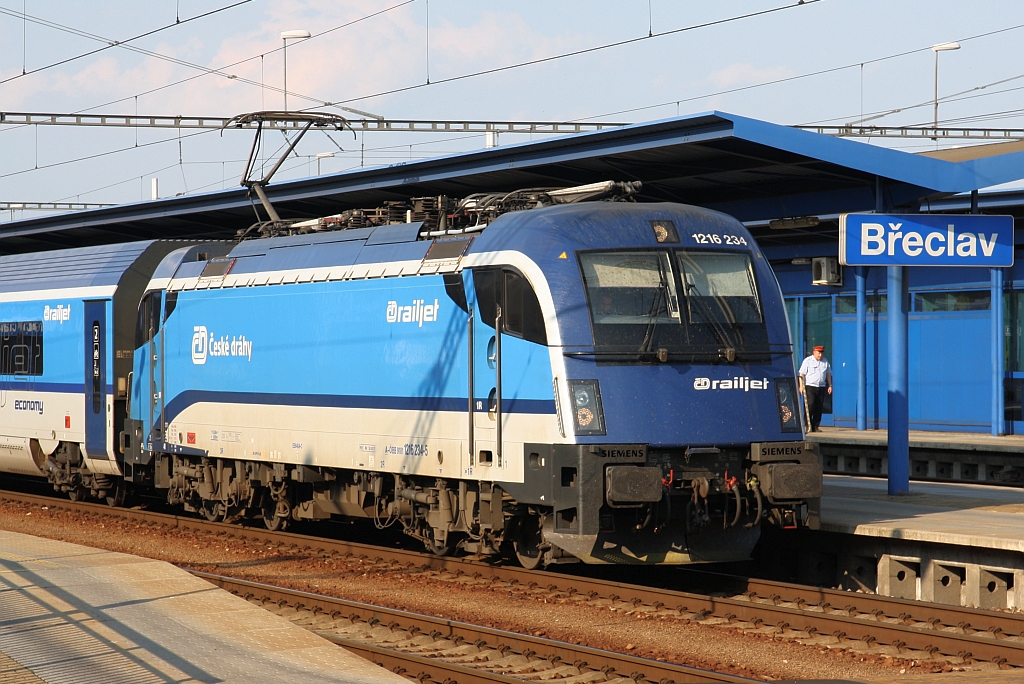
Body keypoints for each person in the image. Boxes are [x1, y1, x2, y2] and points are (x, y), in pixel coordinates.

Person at [799, 345, 832, 432]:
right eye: (818, 353)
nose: (820, 355)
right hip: (810, 386)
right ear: (814, 352)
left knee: (819, 407)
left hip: (821, 386)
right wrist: (801, 386)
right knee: (810, 405)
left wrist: (830, 385)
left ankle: (815, 426)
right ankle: (807, 425)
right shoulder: (808, 361)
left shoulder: (825, 361)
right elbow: (801, 374)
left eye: (821, 353)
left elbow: (828, 374)